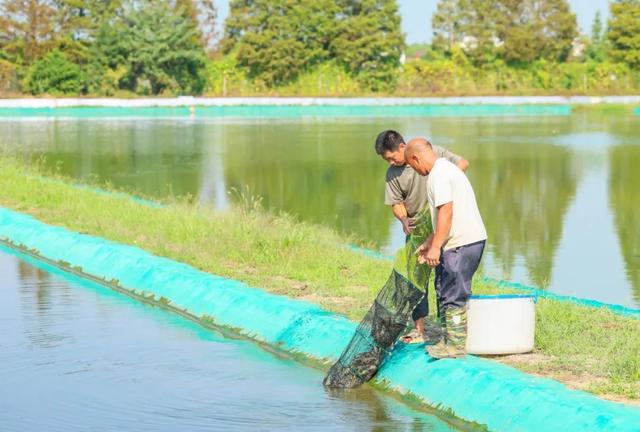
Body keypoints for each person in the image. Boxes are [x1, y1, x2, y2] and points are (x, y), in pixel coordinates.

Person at [374, 130, 469, 344]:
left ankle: (448, 328)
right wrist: (404, 220)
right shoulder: (392, 174)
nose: (391, 161)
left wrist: (443, 190)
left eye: (392, 157)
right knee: (415, 279)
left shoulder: (429, 153)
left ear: (402, 147)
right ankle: (420, 328)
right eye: (387, 160)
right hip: (417, 229)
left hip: (441, 223)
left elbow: (462, 164)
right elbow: (396, 203)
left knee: (445, 275)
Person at [405, 138, 487, 359]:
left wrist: (436, 247)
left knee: (453, 295)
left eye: (414, 167)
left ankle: (456, 347)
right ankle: (447, 340)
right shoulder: (445, 169)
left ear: (416, 157)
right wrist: (430, 242)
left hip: (462, 242)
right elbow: (445, 217)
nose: (417, 171)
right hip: (460, 241)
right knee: (443, 288)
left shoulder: (438, 175)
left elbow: (447, 212)